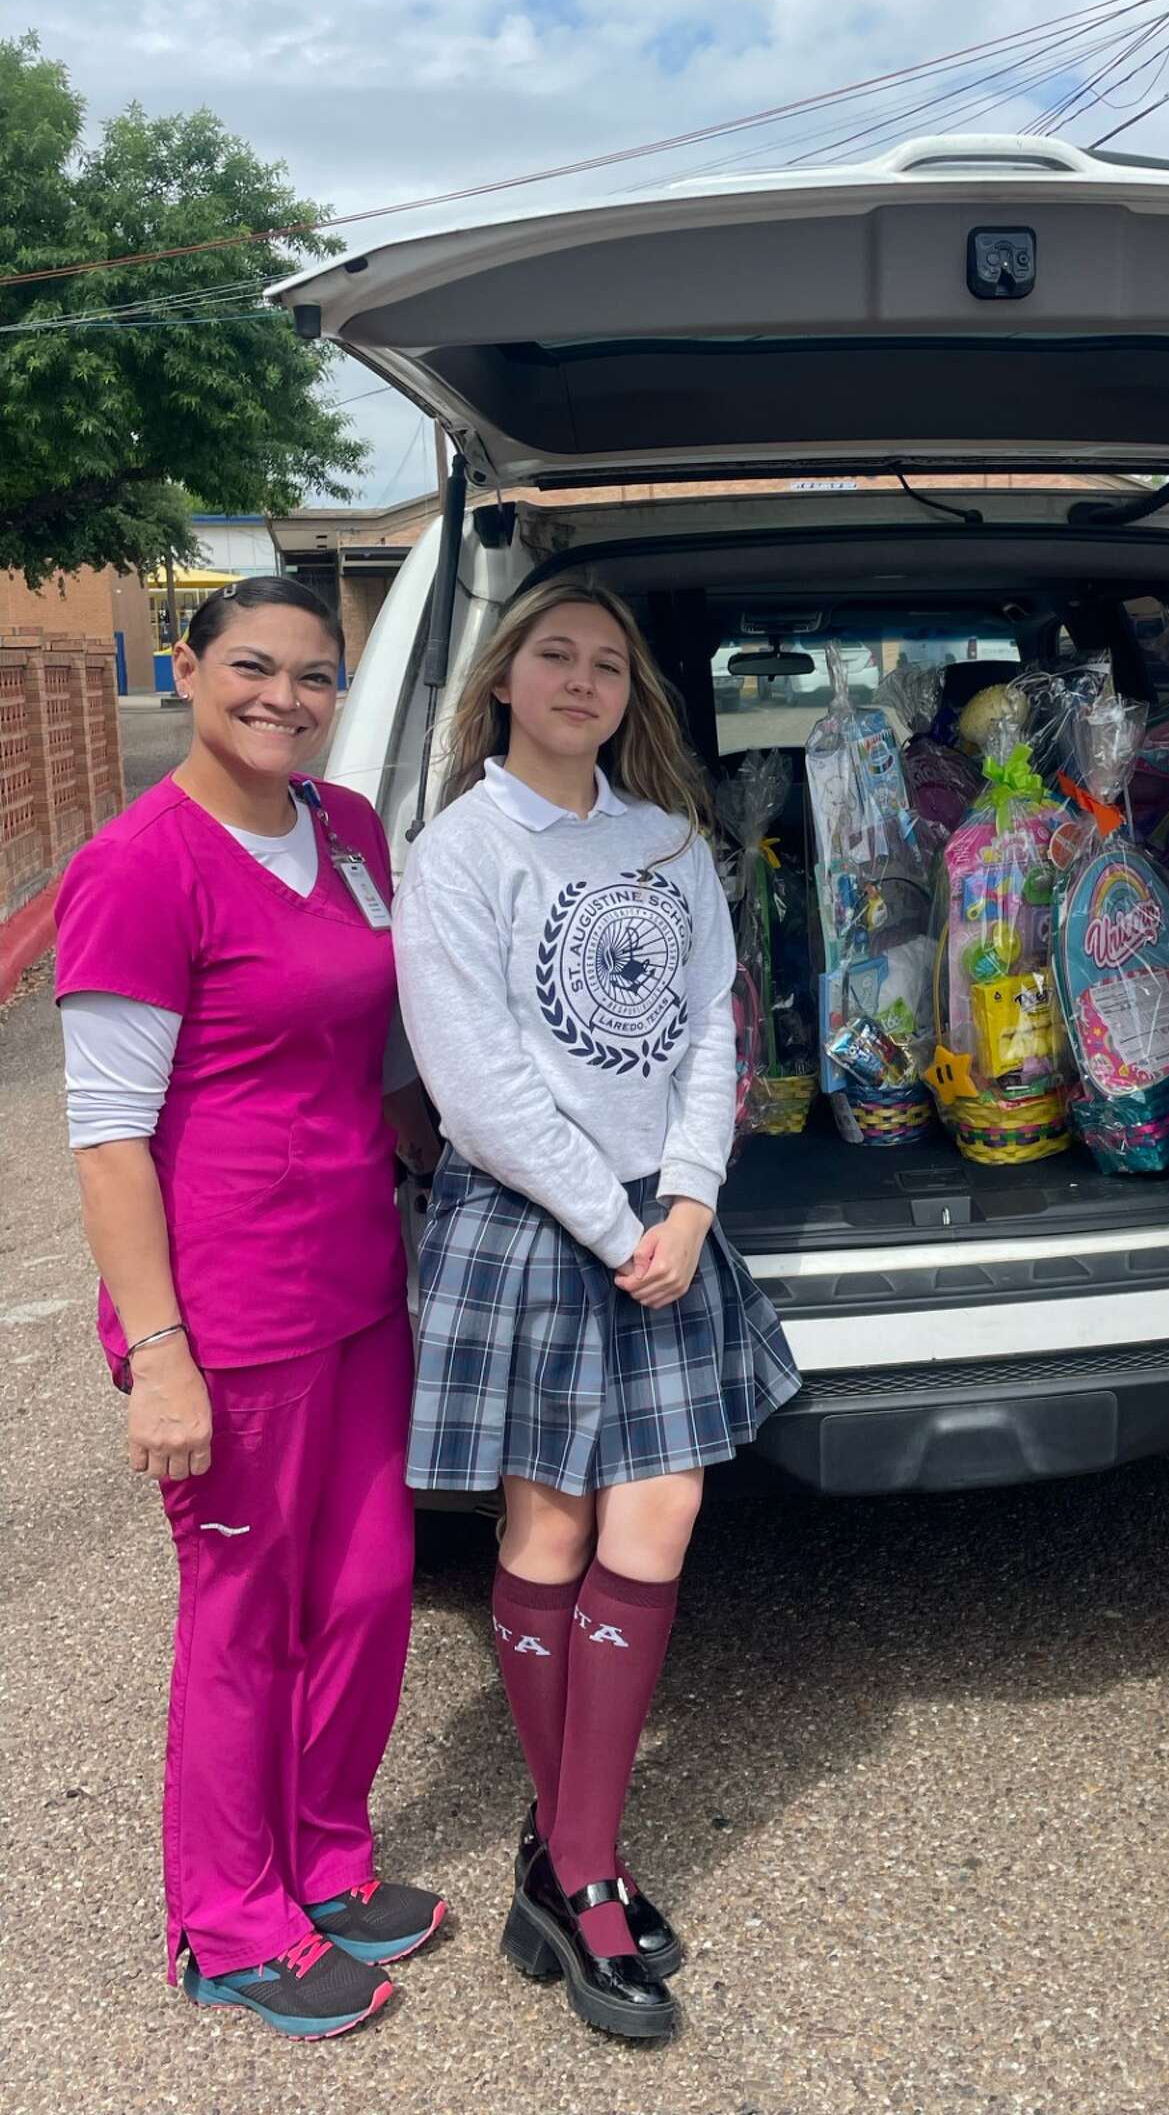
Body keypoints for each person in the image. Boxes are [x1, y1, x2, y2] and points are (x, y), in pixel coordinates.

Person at [394, 580, 799, 2043]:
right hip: (536, 1223)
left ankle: (566, 1863)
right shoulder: (459, 852)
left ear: (633, 696)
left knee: (660, 1522)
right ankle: (579, 1870)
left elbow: (711, 1021)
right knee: (549, 1536)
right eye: (553, 656)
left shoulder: (667, 843)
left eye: (607, 663)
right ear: (501, 682)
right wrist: (619, 1218)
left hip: (662, 1224)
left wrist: (690, 1198)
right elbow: (479, 1082)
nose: (581, 680)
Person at [54, 576, 443, 2039]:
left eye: (313, 676)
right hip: (226, 1315)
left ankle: (326, 1865)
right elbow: (105, 1139)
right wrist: (158, 1357)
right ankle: (228, 1924)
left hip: (355, 1281)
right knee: (243, 1619)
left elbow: (382, 1052)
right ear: (192, 671)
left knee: (366, 1589)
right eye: (251, 668)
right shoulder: (142, 866)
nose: (283, 696)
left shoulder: (345, 834)